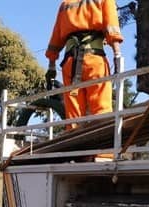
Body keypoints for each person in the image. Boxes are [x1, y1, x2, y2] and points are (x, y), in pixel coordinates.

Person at [45, 0, 124, 129]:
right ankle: (103, 147)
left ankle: (75, 146)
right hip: (94, 60)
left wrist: (51, 66)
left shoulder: (65, 4)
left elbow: (55, 39)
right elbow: (112, 27)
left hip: (70, 63)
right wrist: (117, 55)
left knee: (74, 115)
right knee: (101, 110)